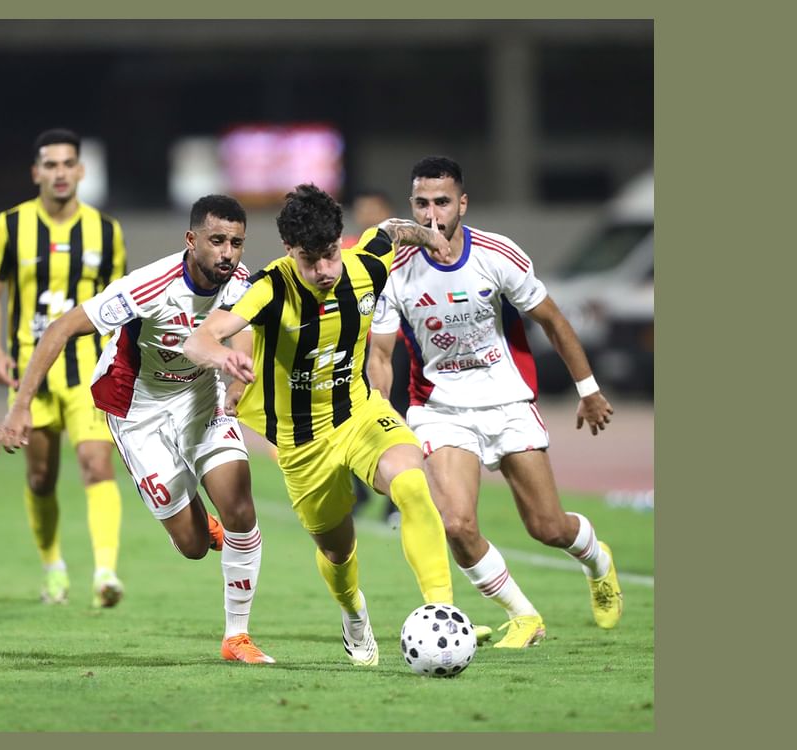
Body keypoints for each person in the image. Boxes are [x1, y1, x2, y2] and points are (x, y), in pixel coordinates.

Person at [184, 183, 491, 667]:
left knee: (412, 484)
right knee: (337, 551)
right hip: (303, 441)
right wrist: (223, 357)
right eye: (311, 260)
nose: (325, 270)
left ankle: (445, 614)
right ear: (289, 250)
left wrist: (431, 237)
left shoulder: (365, 265)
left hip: (360, 413)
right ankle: (353, 613)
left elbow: (392, 230)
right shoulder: (268, 288)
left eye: (330, 254)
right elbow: (200, 339)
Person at [0, 194, 273, 664]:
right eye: (217, 240)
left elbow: (243, 327)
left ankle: (236, 637)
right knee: (193, 546)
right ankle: (202, 526)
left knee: (241, 508)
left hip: (200, 398)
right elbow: (59, 329)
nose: (227, 253)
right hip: (138, 411)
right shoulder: (147, 287)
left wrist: (238, 380)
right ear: (191, 240)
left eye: (236, 243)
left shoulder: (241, 280)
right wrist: (21, 407)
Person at [367, 156, 623, 648]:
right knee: (457, 524)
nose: (432, 214)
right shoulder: (393, 271)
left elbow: (553, 321)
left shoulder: (496, 253)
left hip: (507, 402)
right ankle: (525, 616)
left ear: (462, 203)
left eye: (443, 202)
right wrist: (381, 414)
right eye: (422, 203)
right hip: (439, 410)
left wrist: (588, 390)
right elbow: (380, 354)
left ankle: (597, 560)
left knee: (548, 527)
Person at [0, 128, 126, 608]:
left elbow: (121, 303)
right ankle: (54, 567)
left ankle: (105, 574)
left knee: (97, 464)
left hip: (88, 372)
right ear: (36, 172)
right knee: (40, 477)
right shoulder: (11, 225)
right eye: (50, 164)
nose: (60, 173)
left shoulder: (107, 231)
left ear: (81, 170)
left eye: (67, 164)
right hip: (32, 375)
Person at [342, 190, 405, 524]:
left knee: (396, 415)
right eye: (362, 209)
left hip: (398, 345)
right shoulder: (347, 249)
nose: (368, 215)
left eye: (374, 209)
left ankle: (397, 500)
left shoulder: (402, 254)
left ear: (388, 212)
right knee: (353, 417)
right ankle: (359, 491)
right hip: (357, 346)